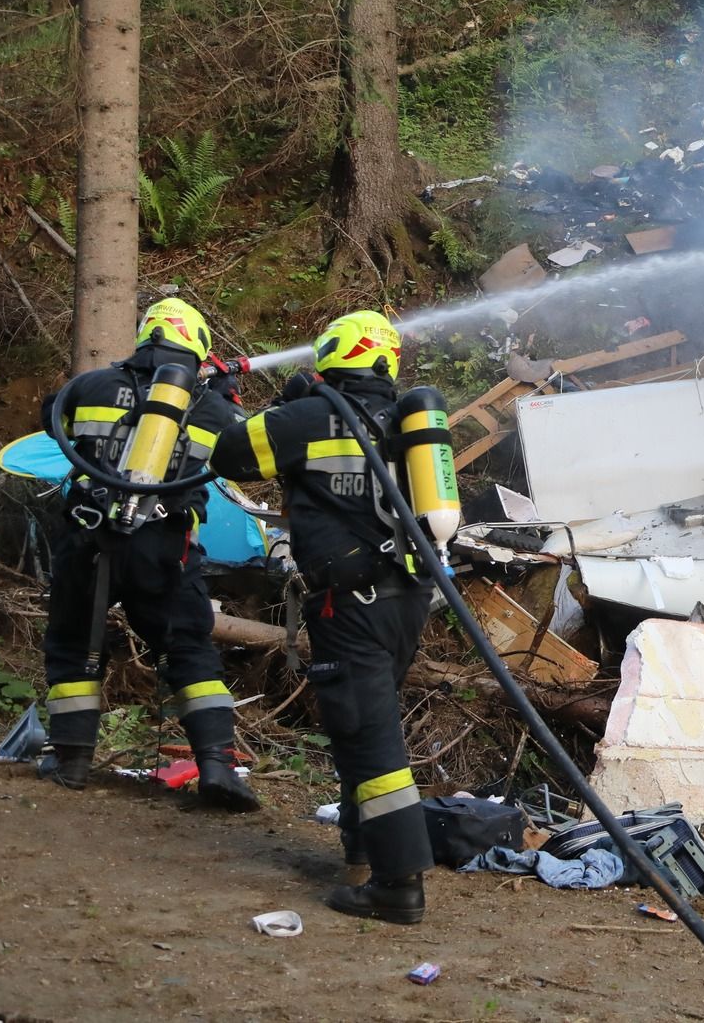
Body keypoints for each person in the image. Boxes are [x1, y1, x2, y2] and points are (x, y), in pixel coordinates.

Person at [211, 311, 433, 924]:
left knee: (367, 731)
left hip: (350, 602)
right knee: (369, 723)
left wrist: (284, 406)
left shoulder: (308, 418)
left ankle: (398, 885)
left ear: (331, 355)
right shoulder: (409, 424)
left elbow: (230, 454)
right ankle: (363, 854)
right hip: (408, 599)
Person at [36, 298, 259, 813]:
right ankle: (218, 766)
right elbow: (246, 460)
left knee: (75, 643)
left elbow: (52, 422)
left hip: (87, 536)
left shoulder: (89, 386)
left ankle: (70, 761)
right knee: (188, 650)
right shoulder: (215, 408)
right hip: (165, 545)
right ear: (198, 347)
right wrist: (222, 398)